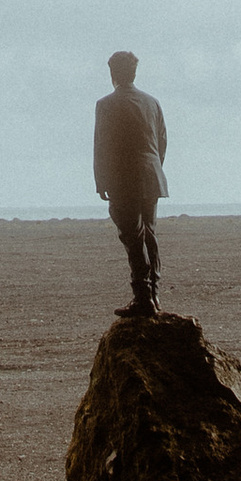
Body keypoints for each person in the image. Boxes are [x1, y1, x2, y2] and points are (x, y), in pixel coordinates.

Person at [93, 49, 167, 318]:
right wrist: (152, 170)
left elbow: (102, 146)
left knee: (133, 237)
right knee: (148, 233)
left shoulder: (106, 104)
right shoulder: (152, 102)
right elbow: (161, 143)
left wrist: (102, 180)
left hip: (123, 179)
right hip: (151, 176)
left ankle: (143, 297)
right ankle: (153, 295)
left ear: (112, 74)